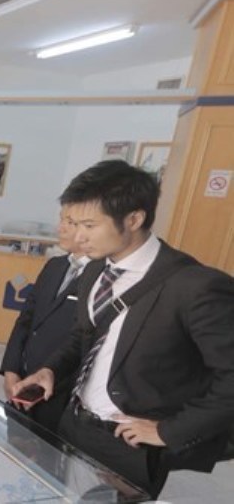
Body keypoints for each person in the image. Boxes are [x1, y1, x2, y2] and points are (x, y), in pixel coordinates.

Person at [12, 160, 234, 498]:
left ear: (133, 219)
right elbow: (85, 335)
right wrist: (50, 370)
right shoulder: (94, 270)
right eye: (74, 223)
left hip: (128, 444)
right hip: (73, 423)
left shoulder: (194, 286)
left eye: (89, 225)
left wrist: (170, 431)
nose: (78, 236)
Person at [0, 206, 90, 433]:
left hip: (57, 390)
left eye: (70, 222)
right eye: (62, 220)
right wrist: (11, 368)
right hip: (22, 384)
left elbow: (81, 339)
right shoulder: (55, 265)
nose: (61, 228)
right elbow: (26, 319)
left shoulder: (100, 277)